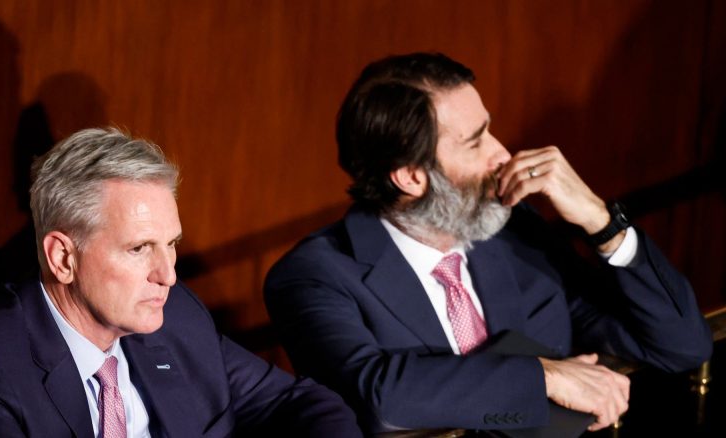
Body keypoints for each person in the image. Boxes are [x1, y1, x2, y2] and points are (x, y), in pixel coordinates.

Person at [263, 52, 712, 434]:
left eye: (489, 130)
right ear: (411, 177)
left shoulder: (516, 232)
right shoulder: (314, 275)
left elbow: (682, 345)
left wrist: (602, 222)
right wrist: (544, 376)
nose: (502, 154)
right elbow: (376, 396)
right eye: (475, 143)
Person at [0, 127, 360, 437]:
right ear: (63, 258)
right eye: (139, 248)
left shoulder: (176, 316)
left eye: (171, 244)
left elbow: (301, 402)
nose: (167, 275)